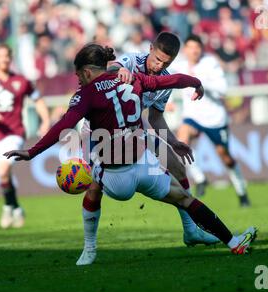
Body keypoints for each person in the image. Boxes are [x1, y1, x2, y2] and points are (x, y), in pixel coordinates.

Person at [4, 43, 257, 265]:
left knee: (93, 185)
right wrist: (196, 82)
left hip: (117, 178)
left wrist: (32, 152)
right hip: (144, 168)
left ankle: (90, 249)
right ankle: (233, 241)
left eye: (79, 74)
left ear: (87, 71)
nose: (78, 79)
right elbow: (171, 80)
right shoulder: (135, 79)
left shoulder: (86, 94)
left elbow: (63, 126)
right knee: (183, 198)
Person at [77, 32, 220, 266]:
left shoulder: (165, 81)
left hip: (133, 131)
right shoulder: (132, 61)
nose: (159, 65)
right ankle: (89, 248)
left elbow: (155, 117)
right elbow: (110, 68)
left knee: (178, 168)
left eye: (166, 63)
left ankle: (191, 230)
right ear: (151, 47)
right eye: (157, 59)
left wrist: (172, 142)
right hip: (98, 132)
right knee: (94, 187)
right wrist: (116, 70)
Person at [0, 43, 50, 229]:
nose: (4, 59)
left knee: (2, 169)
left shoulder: (22, 81)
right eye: (0, 56)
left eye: (7, 55)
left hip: (15, 133)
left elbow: (38, 99)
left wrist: (46, 121)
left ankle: (9, 207)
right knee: (4, 177)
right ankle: (14, 207)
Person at [173, 34, 251, 206]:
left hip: (214, 118)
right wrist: (169, 101)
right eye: (191, 47)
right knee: (181, 141)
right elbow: (165, 81)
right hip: (192, 116)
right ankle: (200, 179)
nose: (194, 51)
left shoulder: (210, 64)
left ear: (201, 49)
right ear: (185, 49)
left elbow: (223, 90)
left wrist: (198, 83)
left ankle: (241, 191)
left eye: (197, 47)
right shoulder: (179, 66)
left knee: (226, 158)